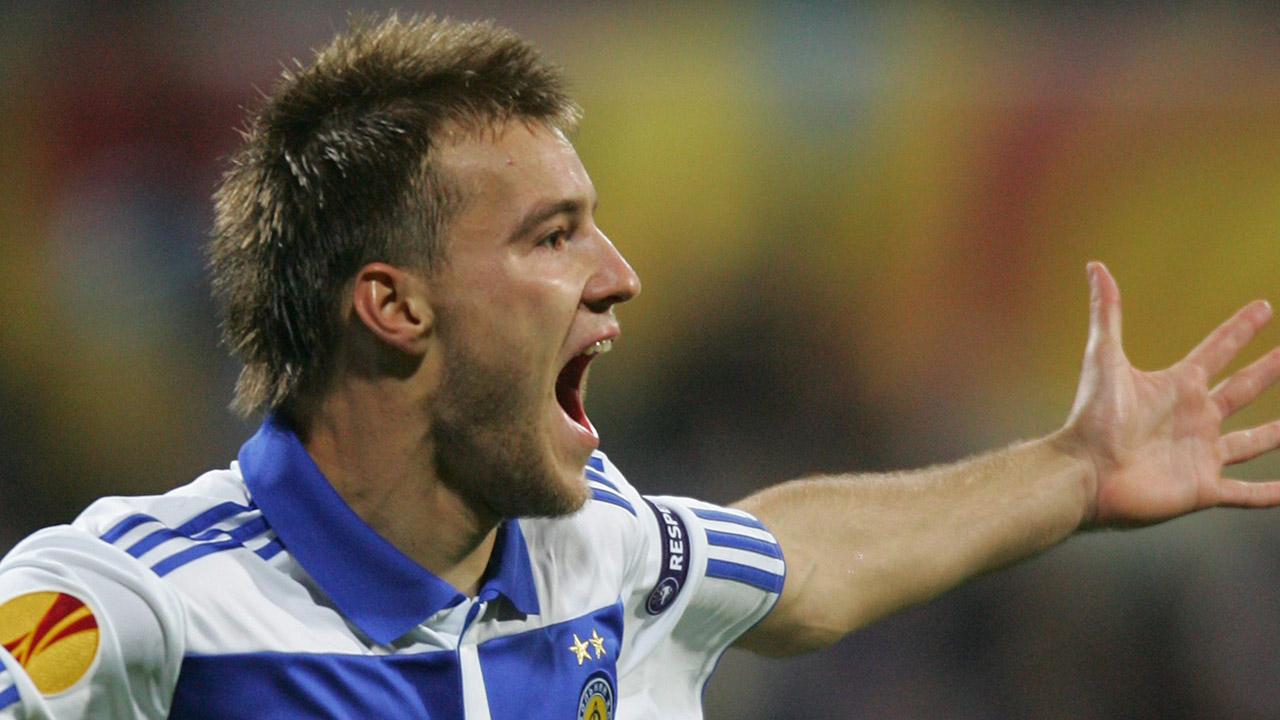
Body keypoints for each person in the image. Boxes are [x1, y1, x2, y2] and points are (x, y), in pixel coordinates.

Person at [2, 14, 1280, 720]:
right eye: (553, 235)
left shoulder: (601, 553)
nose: (618, 272)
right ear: (391, 305)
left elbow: (802, 567)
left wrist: (1072, 471)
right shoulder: (143, 609)